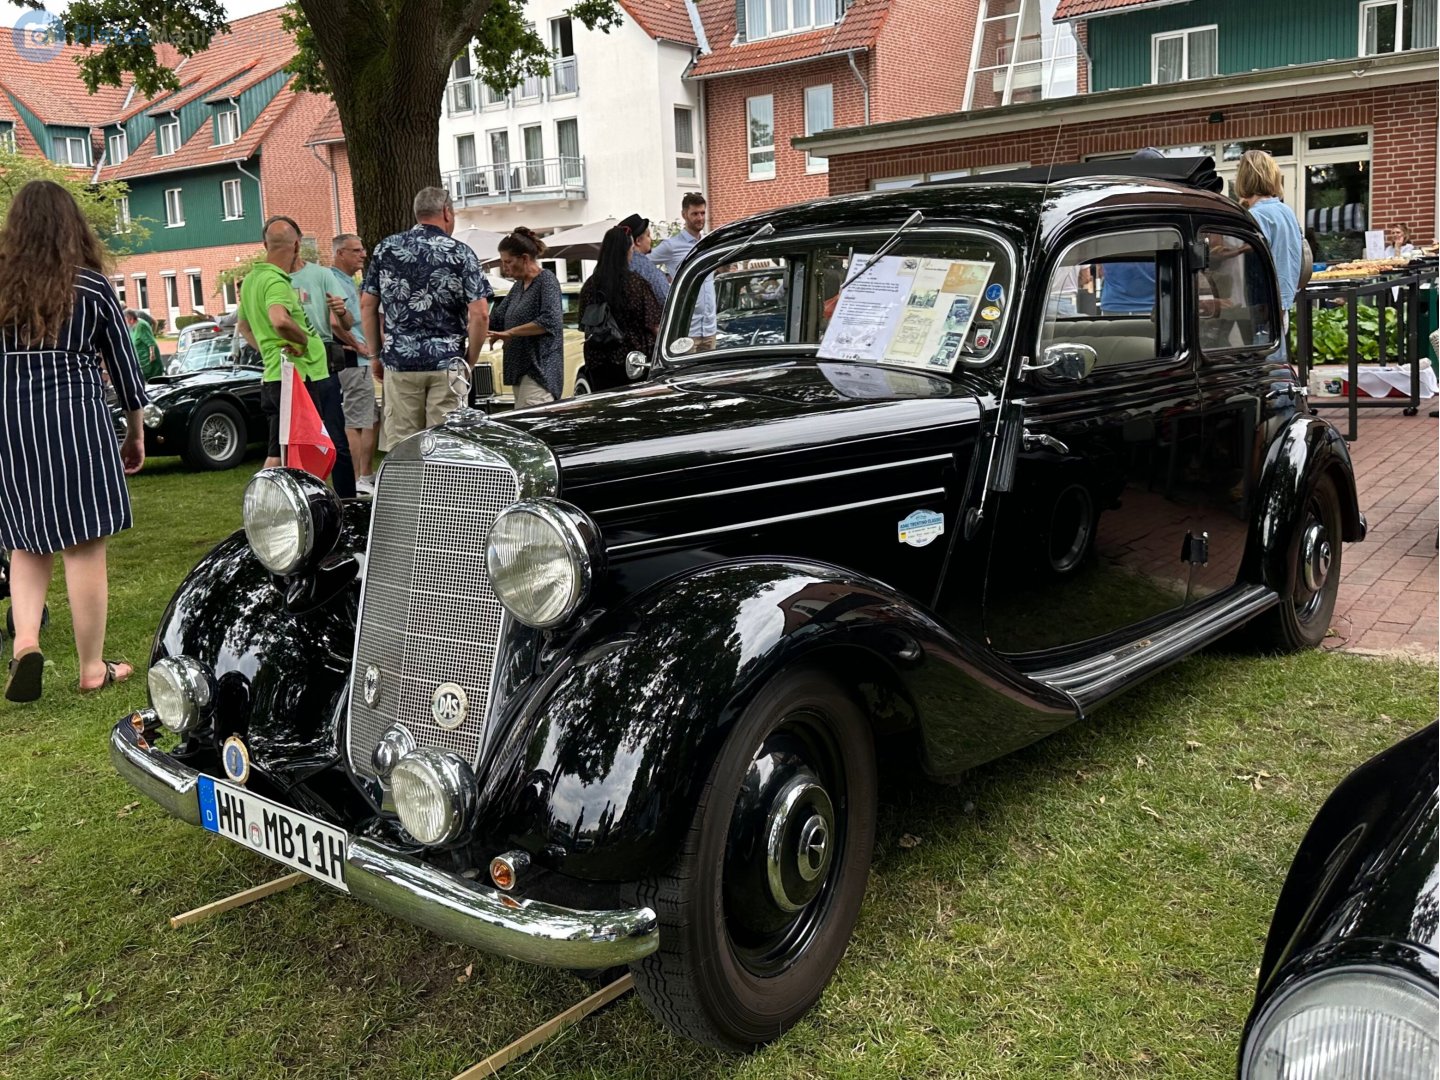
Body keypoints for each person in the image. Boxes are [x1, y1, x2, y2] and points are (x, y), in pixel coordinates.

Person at [0, 180, 147, 700]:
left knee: (24, 539)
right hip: (74, 418)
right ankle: (91, 668)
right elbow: (125, 368)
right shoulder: (90, 287)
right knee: (84, 544)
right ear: (71, 227)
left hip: (9, 421)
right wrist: (134, 430)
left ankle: (26, 642)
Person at [361, 187, 491, 450]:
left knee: (403, 446)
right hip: (447, 361)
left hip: (400, 362)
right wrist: (470, 361)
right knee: (445, 445)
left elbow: (367, 305)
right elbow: (480, 314)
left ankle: (406, 491)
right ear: (446, 212)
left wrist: (375, 355)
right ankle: (443, 492)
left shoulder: (386, 249)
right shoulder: (461, 253)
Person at [236, 215, 356, 497]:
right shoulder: (277, 281)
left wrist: (269, 351)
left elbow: (243, 326)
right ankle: (298, 506)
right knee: (308, 449)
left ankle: (268, 504)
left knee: (279, 450)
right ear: (297, 246)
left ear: (266, 245)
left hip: (280, 376)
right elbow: (279, 319)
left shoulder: (252, 279)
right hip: (302, 377)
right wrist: (301, 341)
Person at [578, 225, 663, 391]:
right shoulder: (636, 283)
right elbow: (654, 324)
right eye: (631, 249)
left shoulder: (590, 285)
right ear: (626, 251)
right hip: (634, 362)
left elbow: (584, 325)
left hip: (598, 361)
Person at [1235, 149, 1302, 358]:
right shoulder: (1285, 211)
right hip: (1282, 302)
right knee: (1278, 366)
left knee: (1267, 373)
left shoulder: (1256, 216)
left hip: (1263, 305)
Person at [488, 227, 565, 406]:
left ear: (524, 258)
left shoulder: (546, 280)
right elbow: (497, 320)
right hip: (520, 372)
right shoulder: (517, 287)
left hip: (538, 373)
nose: (504, 267)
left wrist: (511, 333)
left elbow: (550, 320)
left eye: (508, 262)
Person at [327, 234, 378, 494]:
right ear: (340, 253)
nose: (363, 254)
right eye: (356, 250)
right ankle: (357, 480)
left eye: (363, 248)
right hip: (352, 361)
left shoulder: (348, 281)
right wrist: (358, 346)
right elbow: (335, 322)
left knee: (369, 418)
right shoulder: (333, 280)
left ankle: (365, 476)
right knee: (355, 422)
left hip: (360, 361)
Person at [650, 192, 717, 349]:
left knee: (708, 374)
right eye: (695, 214)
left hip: (710, 328)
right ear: (684, 214)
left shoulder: (710, 243)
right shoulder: (671, 246)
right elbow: (644, 265)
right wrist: (664, 280)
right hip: (687, 331)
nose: (700, 218)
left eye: (702, 213)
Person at [618, 213, 669, 305]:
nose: (651, 239)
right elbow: (666, 302)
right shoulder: (649, 271)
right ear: (638, 241)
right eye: (648, 235)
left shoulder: (609, 267)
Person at [126, 308, 163, 379]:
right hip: (142, 361)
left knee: (152, 381)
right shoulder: (133, 326)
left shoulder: (141, 326)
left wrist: (152, 354)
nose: (125, 322)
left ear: (131, 319)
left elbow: (150, 341)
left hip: (149, 363)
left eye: (126, 319)